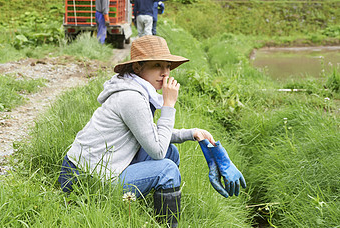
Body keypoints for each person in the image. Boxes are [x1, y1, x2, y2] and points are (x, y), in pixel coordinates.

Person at [58, 36, 246, 227]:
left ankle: (148, 207)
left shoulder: (135, 89)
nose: (165, 73)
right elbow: (156, 149)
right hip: (87, 181)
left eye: (168, 67)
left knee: (169, 151)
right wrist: (168, 105)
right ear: (138, 67)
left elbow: (150, 133)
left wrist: (193, 132)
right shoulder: (131, 98)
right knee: (167, 169)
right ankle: (166, 224)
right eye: (157, 65)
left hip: (96, 169)